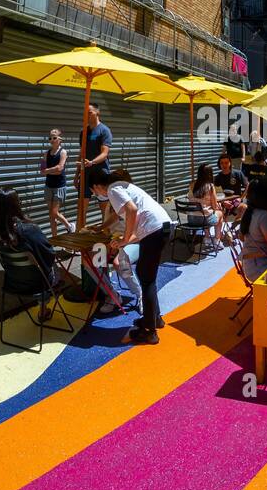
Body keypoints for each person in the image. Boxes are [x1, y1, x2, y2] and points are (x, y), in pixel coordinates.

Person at [89, 167, 171, 344]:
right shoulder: (120, 187)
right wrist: (125, 240)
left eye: (93, 191)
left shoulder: (112, 190)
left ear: (96, 186)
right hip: (162, 227)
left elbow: (132, 210)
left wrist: (125, 239)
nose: (95, 194)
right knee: (147, 276)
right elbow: (131, 216)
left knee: (146, 278)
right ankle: (155, 318)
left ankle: (149, 331)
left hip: (154, 230)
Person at [0, 187, 58, 317]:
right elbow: (49, 253)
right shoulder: (29, 229)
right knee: (52, 266)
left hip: (13, 282)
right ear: (16, 205)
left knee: (38, 266)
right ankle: (43, 308)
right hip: (38, 284)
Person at [78, 102, 113, 229]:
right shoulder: (83, 132)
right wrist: (77, 174)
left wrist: (91, 162)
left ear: (97, 113)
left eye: (90, 112)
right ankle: (80, 237)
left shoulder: (104, 130)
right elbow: (81, 153)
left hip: (100, 175)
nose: (86, 115)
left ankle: (105, 236)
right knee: (81, 209)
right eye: (85, 113)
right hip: (86, 174)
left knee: (105, 210)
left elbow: (105, 153)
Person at [42, 129, 72, 238]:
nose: (52, 140)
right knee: (51, 215)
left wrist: (49, 170)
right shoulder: (46, 153)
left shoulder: (63, 152)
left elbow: (60, 168)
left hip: (59, 186)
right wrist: (53, 170)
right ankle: (54, 238)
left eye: (54, 138)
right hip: (49, 186)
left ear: (60, 139)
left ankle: (69, 226)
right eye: (50, 138)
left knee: (54, 212)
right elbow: (42, 170)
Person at [188, 162, 225, 247]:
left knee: (206, 213)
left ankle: (207, 237)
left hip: (191, 220)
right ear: (210, 174)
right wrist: (217, 206)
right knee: (219, 213)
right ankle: (217, 240)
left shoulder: (192, 185)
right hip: (204, 221)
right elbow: (215, 207)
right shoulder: (210, 186)